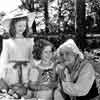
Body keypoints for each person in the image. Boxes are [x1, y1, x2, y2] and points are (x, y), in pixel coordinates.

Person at [0, 11, 34, 98]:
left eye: (24, 25)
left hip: (26, 71)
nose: (22, 28)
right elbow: (4, 59)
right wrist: (2, 76)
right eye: (19, 25)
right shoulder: (8, 42)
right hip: (12, 73)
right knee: (12, 93)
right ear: (13, 26)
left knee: (25, 93)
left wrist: (34, 72)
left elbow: (32, 58)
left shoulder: (29, 41)